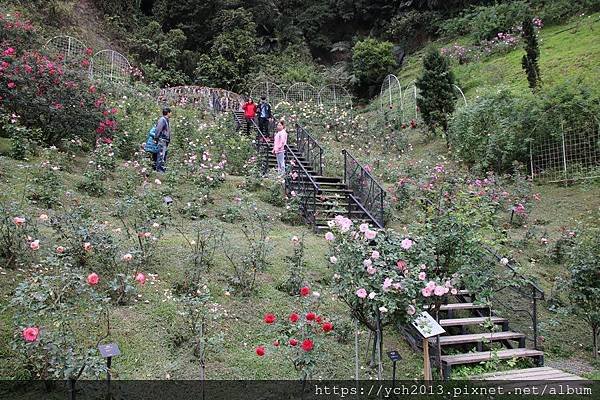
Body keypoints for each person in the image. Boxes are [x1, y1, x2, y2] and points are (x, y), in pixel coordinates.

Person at [155, 107, 172, 173]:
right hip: (162, 140)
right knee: (161, 155)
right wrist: (156, 138)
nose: (171, 114)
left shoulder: (166, 120)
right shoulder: (162, 120)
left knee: (163, 155)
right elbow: (158, 129)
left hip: (165, 140)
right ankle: (159, 170)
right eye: (170, 113)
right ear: (168, 113)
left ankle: (161, 168)